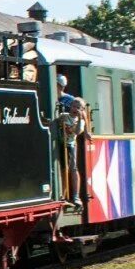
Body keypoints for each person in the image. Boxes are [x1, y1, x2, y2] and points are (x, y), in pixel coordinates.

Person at [54, 77, 89, 207]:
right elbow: (57, 120)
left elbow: (77, 131)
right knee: (62, 169)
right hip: (60, 143)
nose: (75, 108)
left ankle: (75, 195)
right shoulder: (64, 115)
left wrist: (85, 128)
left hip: (70, 145)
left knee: (72, 168)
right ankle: (63, 194)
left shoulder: (78, 119)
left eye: (78, 107)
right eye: (74, 106)